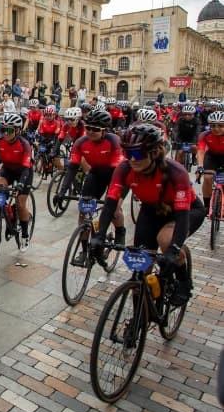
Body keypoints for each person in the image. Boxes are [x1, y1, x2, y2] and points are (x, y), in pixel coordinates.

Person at [91, 124, 203, 305]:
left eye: (137, 154)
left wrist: (173, 250)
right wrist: (99, 235)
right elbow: (110, 204)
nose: (132, 160)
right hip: (151, 210)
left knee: (166, 240)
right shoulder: (125, 168)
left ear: (154, 152)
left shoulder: (176, 172)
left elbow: (182, 217)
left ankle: (183, 281)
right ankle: (137, 321)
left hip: (184, 211)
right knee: (141, 268)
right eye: (127, 154)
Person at [56, 110, 126, 249]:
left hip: (116, 175)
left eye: (95, 129)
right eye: (88, 127)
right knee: (84, 209)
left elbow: (116, 172)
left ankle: (120, 232)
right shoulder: (80, 142)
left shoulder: (114, 141)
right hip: (96, 174)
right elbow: (72, 168)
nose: (90, 131)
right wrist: (62, 192)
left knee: (114, 209)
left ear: (104, 130)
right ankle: (84, 249)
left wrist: (111, 201)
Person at [0, 112, 34, 251]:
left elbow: (26, 169)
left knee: (20, 203)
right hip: (8, 169)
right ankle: (7, 213)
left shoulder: (24, 144)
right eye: (3, 129)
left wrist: (21, 184)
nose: (5, 133)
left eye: (8, 130)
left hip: (24, 172)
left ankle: (25, 235)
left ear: (17, 131)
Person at [196, 110, 224, 213]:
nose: (216, 129)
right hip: (212, 156)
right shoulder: (204, 135)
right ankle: (207, 206)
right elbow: (201, 151)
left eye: (220, 126)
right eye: (213, 126)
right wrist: (200, 166)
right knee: (207, 178)